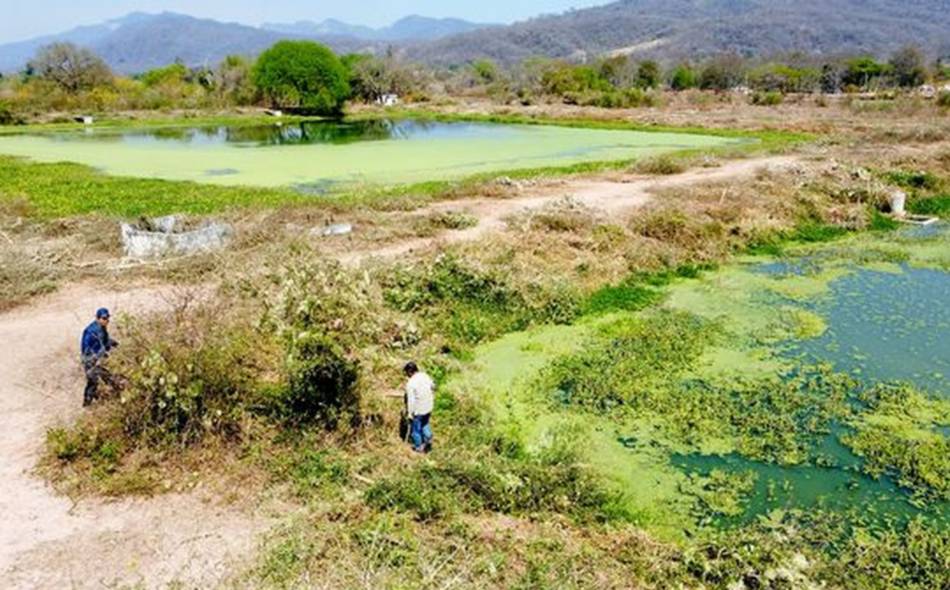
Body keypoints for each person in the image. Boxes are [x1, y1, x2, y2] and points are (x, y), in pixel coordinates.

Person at [80, 307, 119, 406]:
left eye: (107, 318)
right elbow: (86, 347)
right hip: (91, 360)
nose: (107, 320)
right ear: (98, 318)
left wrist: (115, 344)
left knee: (107, 377)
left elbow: (105, 340)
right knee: (93, 382)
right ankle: (86, 404)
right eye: (104, 318)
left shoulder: (101, 327)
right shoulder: (91, 331)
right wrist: (95, 358)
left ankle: (112, 397)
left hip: (98, 359)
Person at [404, 361, 434, 453]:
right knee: (425, 423)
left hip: (418, 410)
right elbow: (433, 386)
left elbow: (411, 400)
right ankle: (428, 438)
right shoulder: (425, 376)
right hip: (428, 406)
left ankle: (419, 447)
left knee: (415, 430)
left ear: (409, 372)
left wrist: (410, 414)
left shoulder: (411, 383)